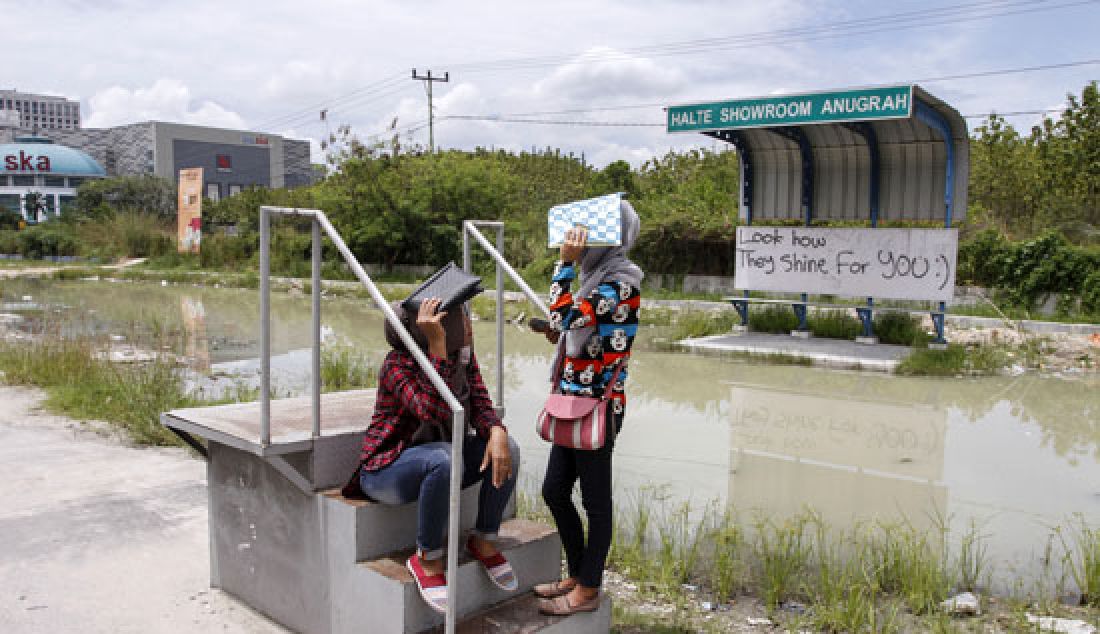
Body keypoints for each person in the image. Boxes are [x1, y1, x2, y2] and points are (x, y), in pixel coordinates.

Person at [355, 297, 520, 614]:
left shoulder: (464, 359)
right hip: (386, 471)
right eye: (461, 322)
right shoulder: (396, 364)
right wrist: (438, 346)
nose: (469, 327)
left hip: (441, 463)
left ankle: (483, 539)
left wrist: (497, 431)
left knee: (507, 448)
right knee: (443, 459)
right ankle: (427, 558)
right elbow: (430, 409)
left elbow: (482, 406)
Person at [535, 200, 643, 616]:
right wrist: (560, 335)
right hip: (571, 399)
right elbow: (573, 325)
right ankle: (579, 573)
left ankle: (588, 589)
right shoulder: (594, 281)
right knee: (554, 491)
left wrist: (563, 264)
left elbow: (567, 318)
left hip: (598, 405)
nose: (582, 239)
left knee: (596, 504)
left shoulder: (620, 284)